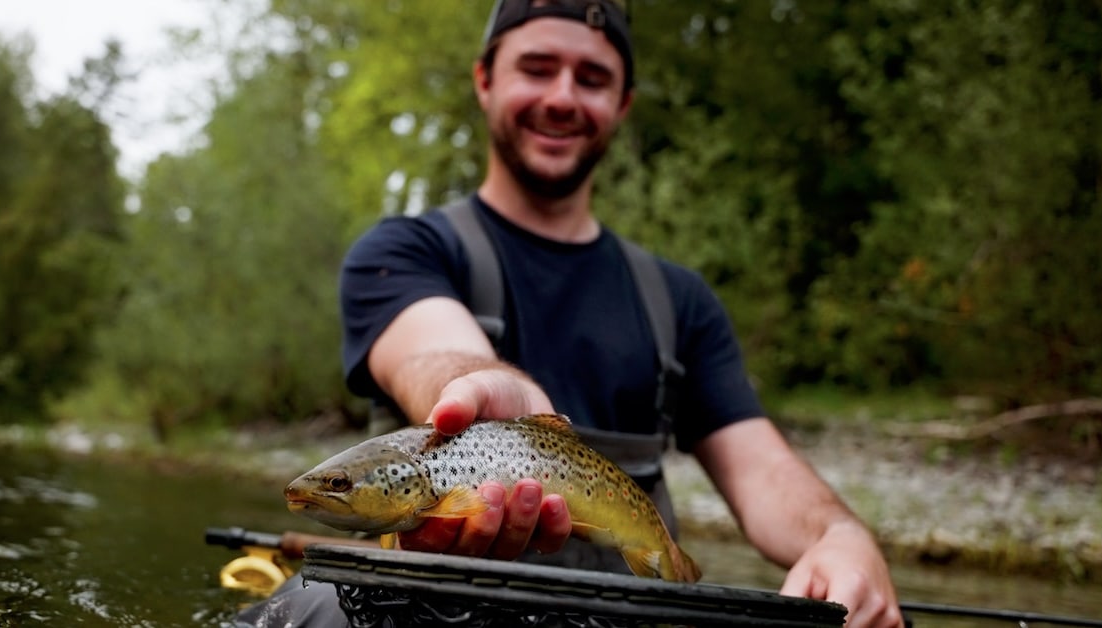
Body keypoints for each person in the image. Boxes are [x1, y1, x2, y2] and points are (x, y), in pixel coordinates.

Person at [239, 1, 904, 626]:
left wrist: (839, 535)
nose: (561, 97)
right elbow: (427, 352)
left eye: (591, 78)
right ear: (484, 80)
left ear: (623, 104)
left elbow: (760, 467)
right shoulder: (405, 251)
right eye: (536, 68)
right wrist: (478, 395)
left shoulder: (681, 300)